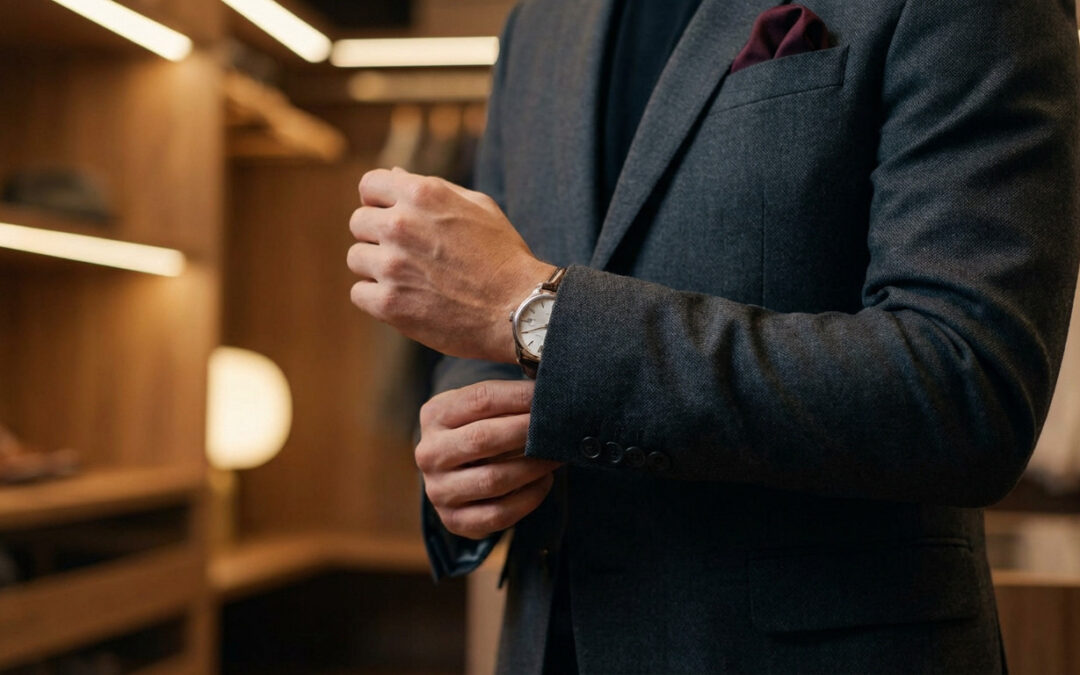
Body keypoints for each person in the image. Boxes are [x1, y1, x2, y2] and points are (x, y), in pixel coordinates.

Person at [346, 0, 1080, 672]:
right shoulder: (540, 23)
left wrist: (542, 315)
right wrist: (458, 449)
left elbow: (966, 387)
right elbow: (494, 314)